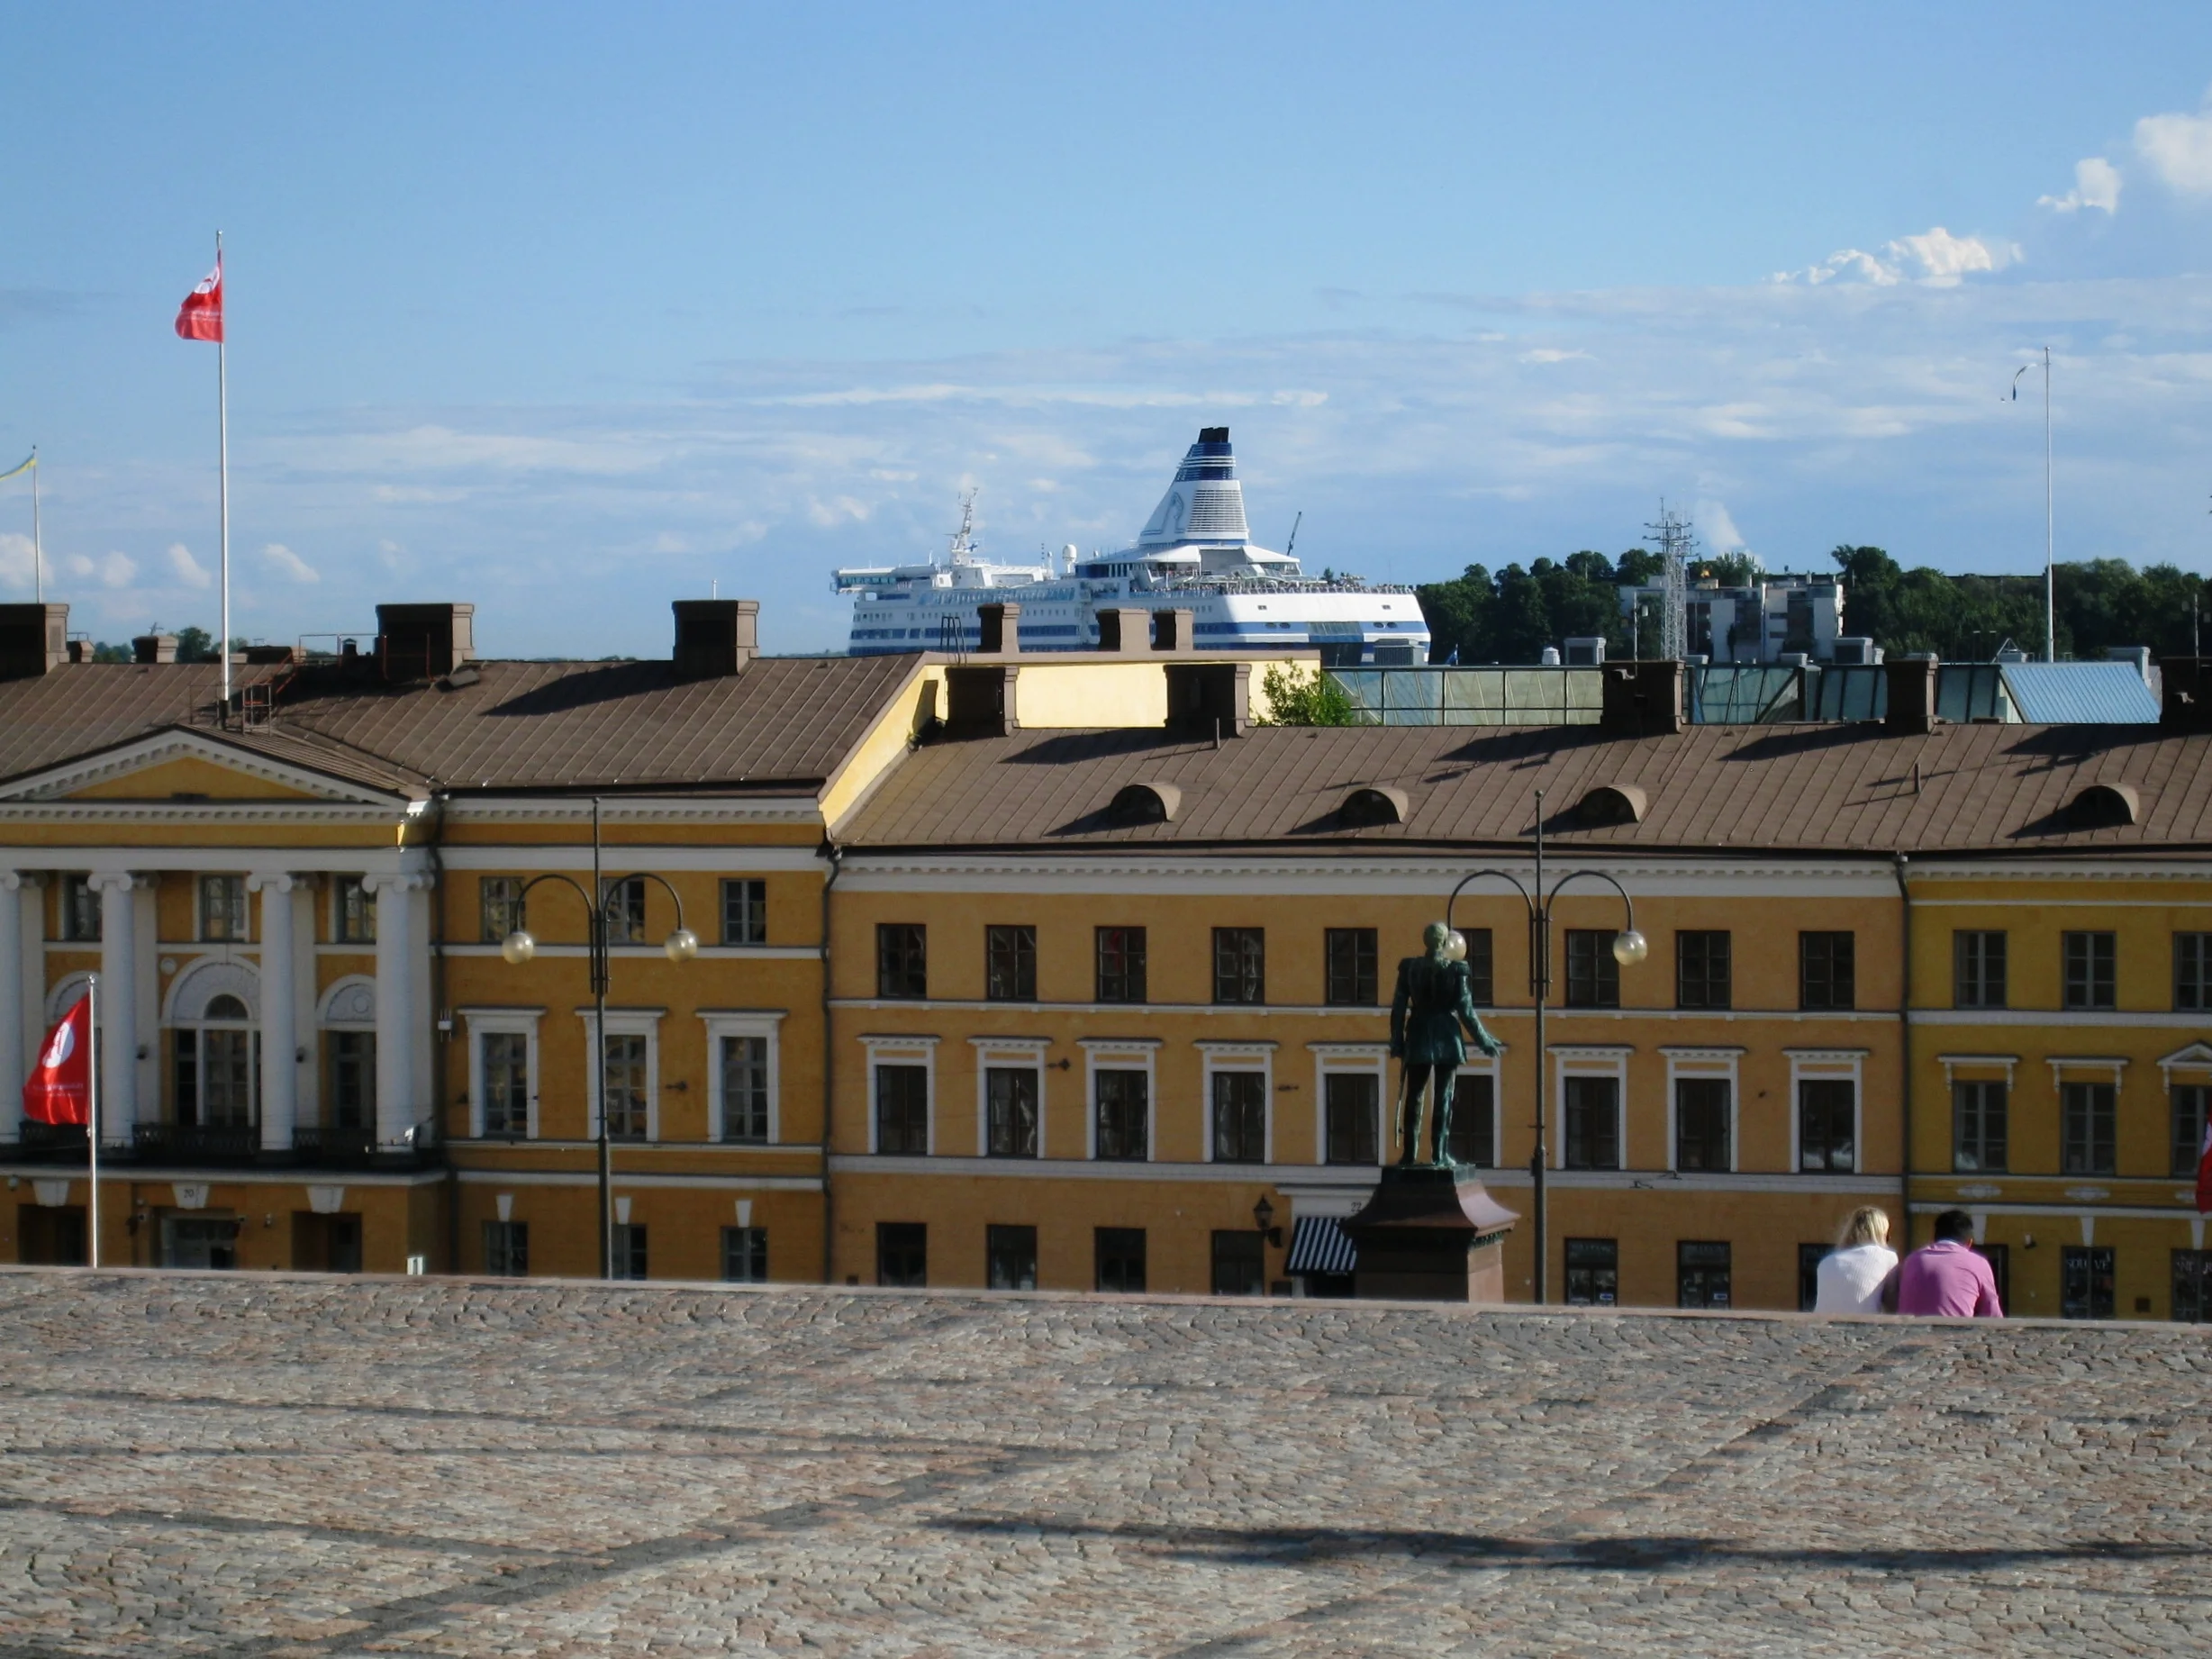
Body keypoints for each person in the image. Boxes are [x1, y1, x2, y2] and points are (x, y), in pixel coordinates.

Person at [1388, 921, 1502, 1165]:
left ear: (1425, 940)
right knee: (1443, 1096)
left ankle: (1409, 1154)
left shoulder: (1410, 967)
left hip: (1418, 1031)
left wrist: (1396, 1040)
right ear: (1444, 942)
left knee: (1414, 1096)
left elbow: (1398, 1007)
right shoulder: (1455, 969)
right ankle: (1439, 1155)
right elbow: (1465, 1008)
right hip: (1446, 1035)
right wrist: (1484, 1040)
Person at [1891, 1209, 2004, 1318]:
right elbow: (1992, 1314)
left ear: (1935, 1239)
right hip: (1953, 1333)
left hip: (1909, 1333)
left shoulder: (1912, 1260)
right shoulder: (1979, 1263)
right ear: (1969, 1243)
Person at [1814, 1206, 1899, 1314]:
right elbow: (1892, 1307)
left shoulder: (1826, 1263)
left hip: (1821, 1326)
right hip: (1863, 1327)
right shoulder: (1888, 1257)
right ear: (1881, 1234)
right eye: (1887, 1236)